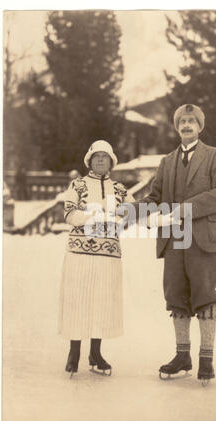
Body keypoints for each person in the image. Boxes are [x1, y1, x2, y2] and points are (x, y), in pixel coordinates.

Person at [127, 104, 216, 384]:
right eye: (182, 121)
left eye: (191, 121)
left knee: (205, 295)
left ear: (200, 126)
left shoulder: (215, 156)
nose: (186, 125)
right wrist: (133, 210)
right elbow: (156, 196)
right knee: (176, 296)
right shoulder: (167, 161)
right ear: (177, 127)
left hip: (204, 238)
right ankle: (182, 356)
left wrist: (187, 208)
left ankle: (206, 360)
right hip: (174, 238)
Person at [58, 140, 134, 377]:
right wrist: (96, 214)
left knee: (102, 302)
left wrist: (122, 216)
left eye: (105, 156)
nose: (100, 160)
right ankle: (74, 352)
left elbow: (132, 214)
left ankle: (96, 353)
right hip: (80, 254)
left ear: (112, 161)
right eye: (96, 156)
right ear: (89, 160)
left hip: (108, 255)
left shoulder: (121, 189)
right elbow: (69, 214)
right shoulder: (78, 185)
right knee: (78, 300)